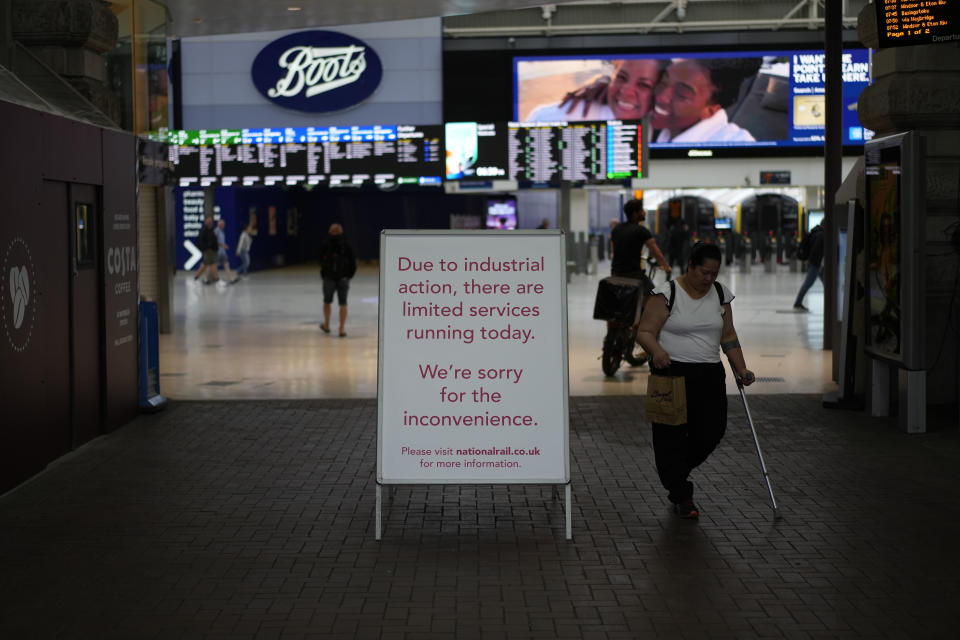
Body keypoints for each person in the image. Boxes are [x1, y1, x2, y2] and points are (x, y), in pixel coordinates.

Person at [635, 242, 755, 519]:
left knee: (712, 431)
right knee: (670, 437)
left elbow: (728, 335)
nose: (709, 279)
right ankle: (681, 493)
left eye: (714, 273)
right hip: (671, 373)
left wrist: (741, 369)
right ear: (690, 265)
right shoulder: (667, 294)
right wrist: (658, 351)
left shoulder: (720, 294)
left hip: (709, 374)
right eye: (704, 272)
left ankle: (674, 472)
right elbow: (644, 332)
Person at [651, 58, 760, 143]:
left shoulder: (738, 144)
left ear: (711, 110)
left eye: (681, 94)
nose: (661, 96)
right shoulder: (651, 123)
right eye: (663, 82)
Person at [527, 59, 664, 122]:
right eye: (621, 77)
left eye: (644, 85)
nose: (627, 91)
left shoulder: (667, 129)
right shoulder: (552, 118)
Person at [318, 223, 357, 337]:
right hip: (343, 278)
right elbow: (353, 263)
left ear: (330, 232)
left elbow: (320, 260)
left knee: (327, 301)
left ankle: (327, 324)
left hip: (329, 278)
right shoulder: (347, 245)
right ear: (341, 232)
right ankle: (341, 328)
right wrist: (348, 276)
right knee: (343, 303)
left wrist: (324, 273)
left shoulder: (326, 244)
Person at [793, 223, 824, 311]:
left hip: (817, 263)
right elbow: (816, 249)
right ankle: (798, 303)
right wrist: (810, 260)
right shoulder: (821, 234)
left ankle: (831, 300)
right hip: (815, 263)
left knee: (827, 282)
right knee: (808, 284)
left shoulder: (815, 232)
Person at [194, 216, 219, 284]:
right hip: (208, 250)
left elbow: (214, 240)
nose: (210, 222)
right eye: (208, 221)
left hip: (211, 249)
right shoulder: (204, 230)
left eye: (211, 221)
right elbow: (200, 240)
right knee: (209, 263)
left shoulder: (212, 230)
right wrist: (205, 248)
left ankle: (199, 277)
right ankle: (216, 279)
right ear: (205, 222)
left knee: (209, 264)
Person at [214, 219, 238, 285]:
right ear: (219, 224)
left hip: (223, 252)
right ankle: (215, 279)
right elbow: (214, 241)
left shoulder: (222, 231)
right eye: (222, 224)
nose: (223, 225)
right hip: (217, 252)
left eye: (224, 224)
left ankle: (231, 279)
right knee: (214, 266)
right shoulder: (216, 231)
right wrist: (222, 245)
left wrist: (223, 246)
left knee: (226, 264)